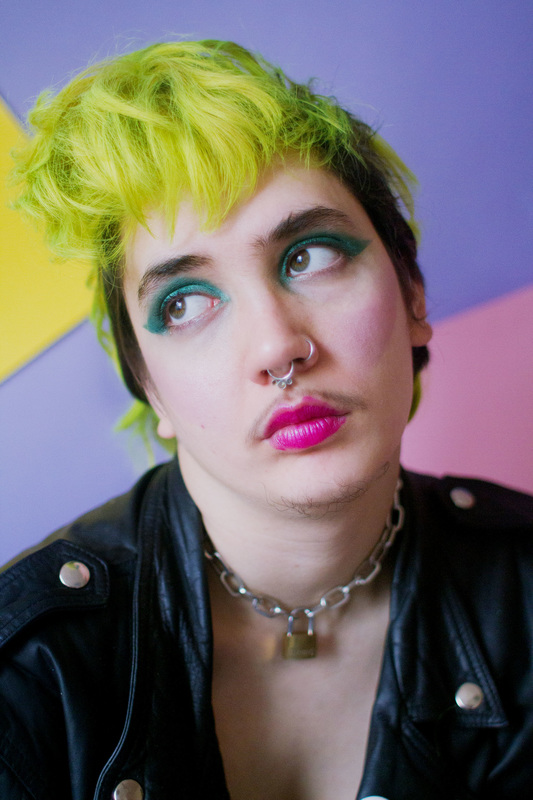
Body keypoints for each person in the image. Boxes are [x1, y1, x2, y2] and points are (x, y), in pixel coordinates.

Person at [1, 40, 532, 800]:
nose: (278, 346)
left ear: (412, 295)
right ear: (150, 389)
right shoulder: (28, 669)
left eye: (310, 256)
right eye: (184, 303)